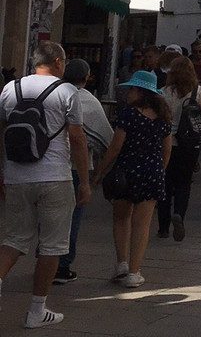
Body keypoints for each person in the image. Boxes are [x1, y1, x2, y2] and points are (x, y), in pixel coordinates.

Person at [0, 42, 91, 328]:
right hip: (54, 177)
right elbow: (77, 138)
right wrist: (85, 182)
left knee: (12, 241)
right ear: (57, 62)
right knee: (52, 246)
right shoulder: (67, 92)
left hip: (16, 176)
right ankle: (37, 311)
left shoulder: (9, 89)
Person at [91, 70, 172, 289]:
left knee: (121, 218)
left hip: (127, 172)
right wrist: (159, 170)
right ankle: (135, 272)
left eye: (132, 89)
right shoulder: (163, 116)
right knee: (142, 224)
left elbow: (115, 147)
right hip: (152, 172)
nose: (128, 92)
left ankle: (122, 264)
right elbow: (166, 151)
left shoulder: (128, 114)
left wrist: (99, 172)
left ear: (141, 91)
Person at [54, 58, 113, 284]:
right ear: (87, 78)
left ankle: (46, 258)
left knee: (49, 219)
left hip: (49, 166)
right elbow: (104, 141)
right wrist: (95, 177)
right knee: (72, 219)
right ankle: (62, 266)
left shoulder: (52, 94)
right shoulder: (88, 101)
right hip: (75, 169)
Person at [158, 57, 201, 241]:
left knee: (165, 184)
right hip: (189, 145)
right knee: (184, 184)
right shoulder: (197, 91)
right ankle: (179, 213)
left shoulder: (164, 92)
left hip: (167, 143)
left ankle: (162, 227)